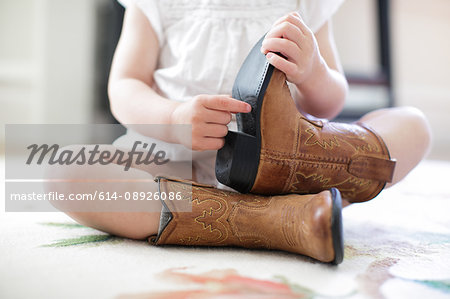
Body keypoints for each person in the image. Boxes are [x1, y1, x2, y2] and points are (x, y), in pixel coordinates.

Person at [47, 0, 431, 253]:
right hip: (174, 167)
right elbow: (124, 86)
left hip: (285, 171)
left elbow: (329, 102)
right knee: (66, 175)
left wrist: (313, 71)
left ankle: (296, 200)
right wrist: (174, 119)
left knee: (412, 126)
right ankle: (274, 221)